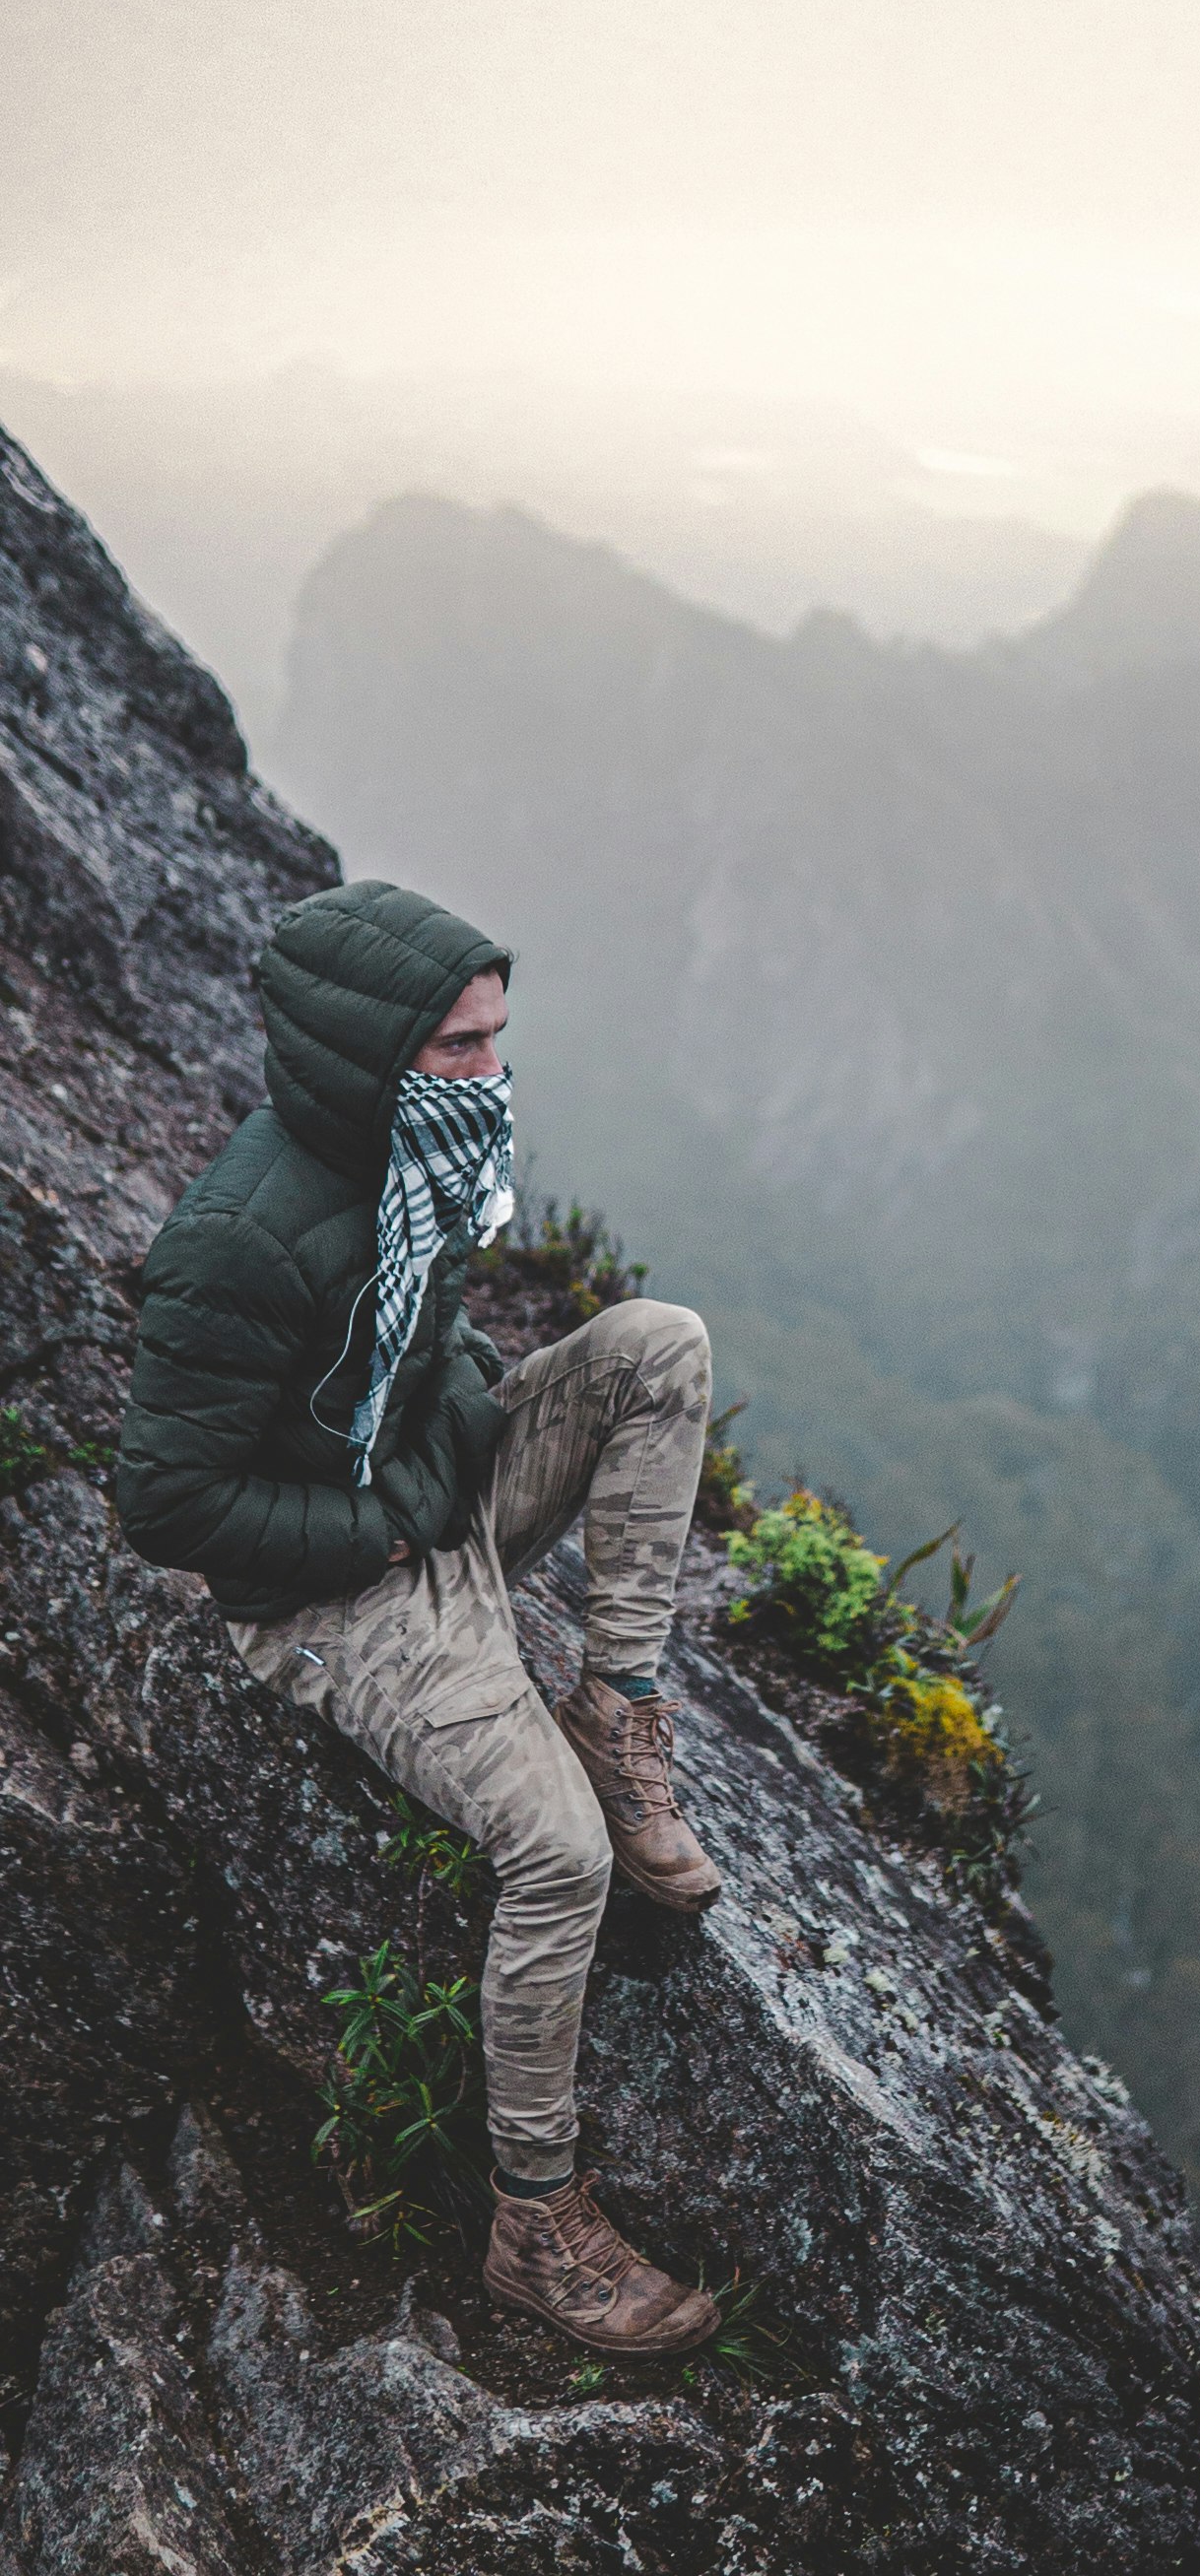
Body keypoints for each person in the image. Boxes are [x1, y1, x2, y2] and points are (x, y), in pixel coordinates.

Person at [116, 878, 722, 2357]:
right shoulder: (236, 1246)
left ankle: (615, 1705)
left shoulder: (424, 1154)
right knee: (560, 1850)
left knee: (656, 1346)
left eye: (496, 1040)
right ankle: (534, 2219)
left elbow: (435, 1338)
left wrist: (461, 1453)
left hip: (427, 1511)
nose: (488, 1074)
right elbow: (165, 1502)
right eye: (458, 1046)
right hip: (338, 1593)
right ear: (361, 1051)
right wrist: (383, 1531)